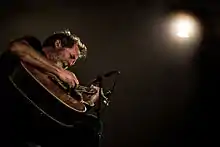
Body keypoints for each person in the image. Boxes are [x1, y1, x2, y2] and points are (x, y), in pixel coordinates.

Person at [0, 29, 102, 147]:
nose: (71, 63)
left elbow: (63, 115)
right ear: (58, 44)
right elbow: (16, 48)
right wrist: (58, 71)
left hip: (32, 125)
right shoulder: (34, 45)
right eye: (71, 56)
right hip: (8, 108)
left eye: (74, 61)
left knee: (92, 125)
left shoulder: (57, 83)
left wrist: (88, 102)